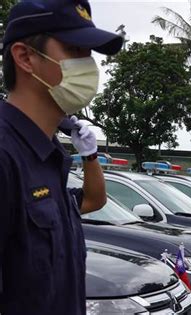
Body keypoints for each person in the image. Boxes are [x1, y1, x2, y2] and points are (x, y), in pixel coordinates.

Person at [0, 1, 122, 314]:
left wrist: (90, 155)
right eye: (75, 49)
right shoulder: (6, 156)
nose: (89, 66)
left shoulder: (49, 153)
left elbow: (93, 202)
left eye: (90, 54)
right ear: (25, 57)